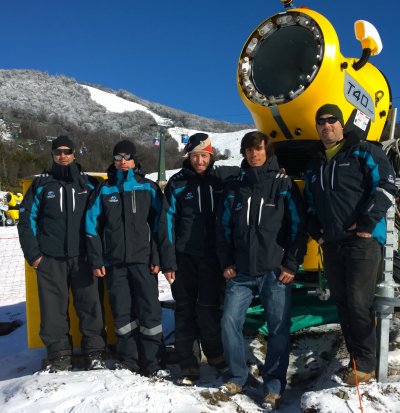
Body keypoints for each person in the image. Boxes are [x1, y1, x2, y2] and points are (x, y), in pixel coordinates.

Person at [304, 104, 397, 385]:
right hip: (332, 244)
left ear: (341, 125)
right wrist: (316, 231)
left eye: (332, 120)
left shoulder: (364, 151)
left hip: (362, 242)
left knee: (359, 303)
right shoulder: (315, 164)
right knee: (343, 304)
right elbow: (309, 204)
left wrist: (368, 223)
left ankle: (366, 364)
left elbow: (386, 185)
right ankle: (358, 360)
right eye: (321, 122)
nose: (327, 125)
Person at [216, 131, 307, 410]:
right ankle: (237, 376)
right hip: (241, 272)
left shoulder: (282, 184)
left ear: (267, 151)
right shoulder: (236, 187)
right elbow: (224, 229)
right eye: (249, 149)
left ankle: (274, 387)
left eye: (258, 149)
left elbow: (298, 227)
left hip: (274, 272)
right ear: (243, 153)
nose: (254, 154)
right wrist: (226, 263)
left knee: (279, 328)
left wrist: (291, 264)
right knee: (229, 321)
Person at [18, 135, 106, 372]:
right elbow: (26, 221)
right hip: (50, 259)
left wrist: (99, 253)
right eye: (58, 152)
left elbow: (103, 219)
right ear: (53, 155)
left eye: (67, 151)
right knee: (53, 309)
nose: (62, 155)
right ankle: (58, 355)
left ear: (74, 153)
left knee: (91, 306)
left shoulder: (89, 184)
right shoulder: (41, 185)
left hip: (84, 257)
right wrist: (35, 255)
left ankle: (95, 352)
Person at [159, 133, 239, 384]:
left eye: (204, 156)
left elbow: (250, 169)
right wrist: (168, 261)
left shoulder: (221, 180)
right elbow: (166, 223)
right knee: (184, 311)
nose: (199, 160)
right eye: (195, 156)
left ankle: (215, 356)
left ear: (211, 156)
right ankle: (188, 364)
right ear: (189, 157)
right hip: (184, 258)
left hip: (213, 258)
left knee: (209, 311)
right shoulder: (177, 183)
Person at [85, 139, 166, 378]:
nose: (122, 162)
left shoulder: (149, 188)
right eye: (117, 158)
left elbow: (161, 226)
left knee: (149, 312)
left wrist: (157, 256)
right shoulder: (103, 190)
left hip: (144, 262)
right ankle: (129, 361)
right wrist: (97, 259)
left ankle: (153, 362)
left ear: (135, 160)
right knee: (122, 313)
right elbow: (91, 226)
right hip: (115, 263)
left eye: (126, 157)